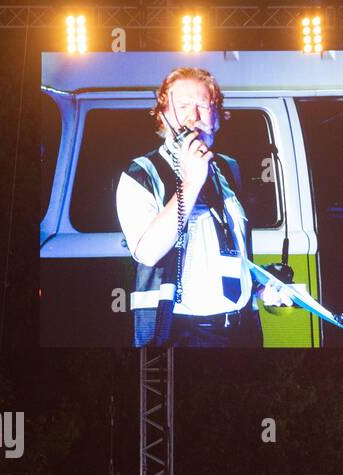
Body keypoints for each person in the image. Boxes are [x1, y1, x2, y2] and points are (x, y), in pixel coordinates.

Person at [116, 66, 291, 348]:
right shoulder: (140, 173)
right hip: (184, 331)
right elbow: (147, 252)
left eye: (202, 106)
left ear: (218, 118)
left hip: (242, 326)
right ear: (162, 117)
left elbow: (223, 247)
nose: (192, 116)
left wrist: (258, 284)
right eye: (182, 106)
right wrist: (191, 182)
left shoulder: (227, 168)